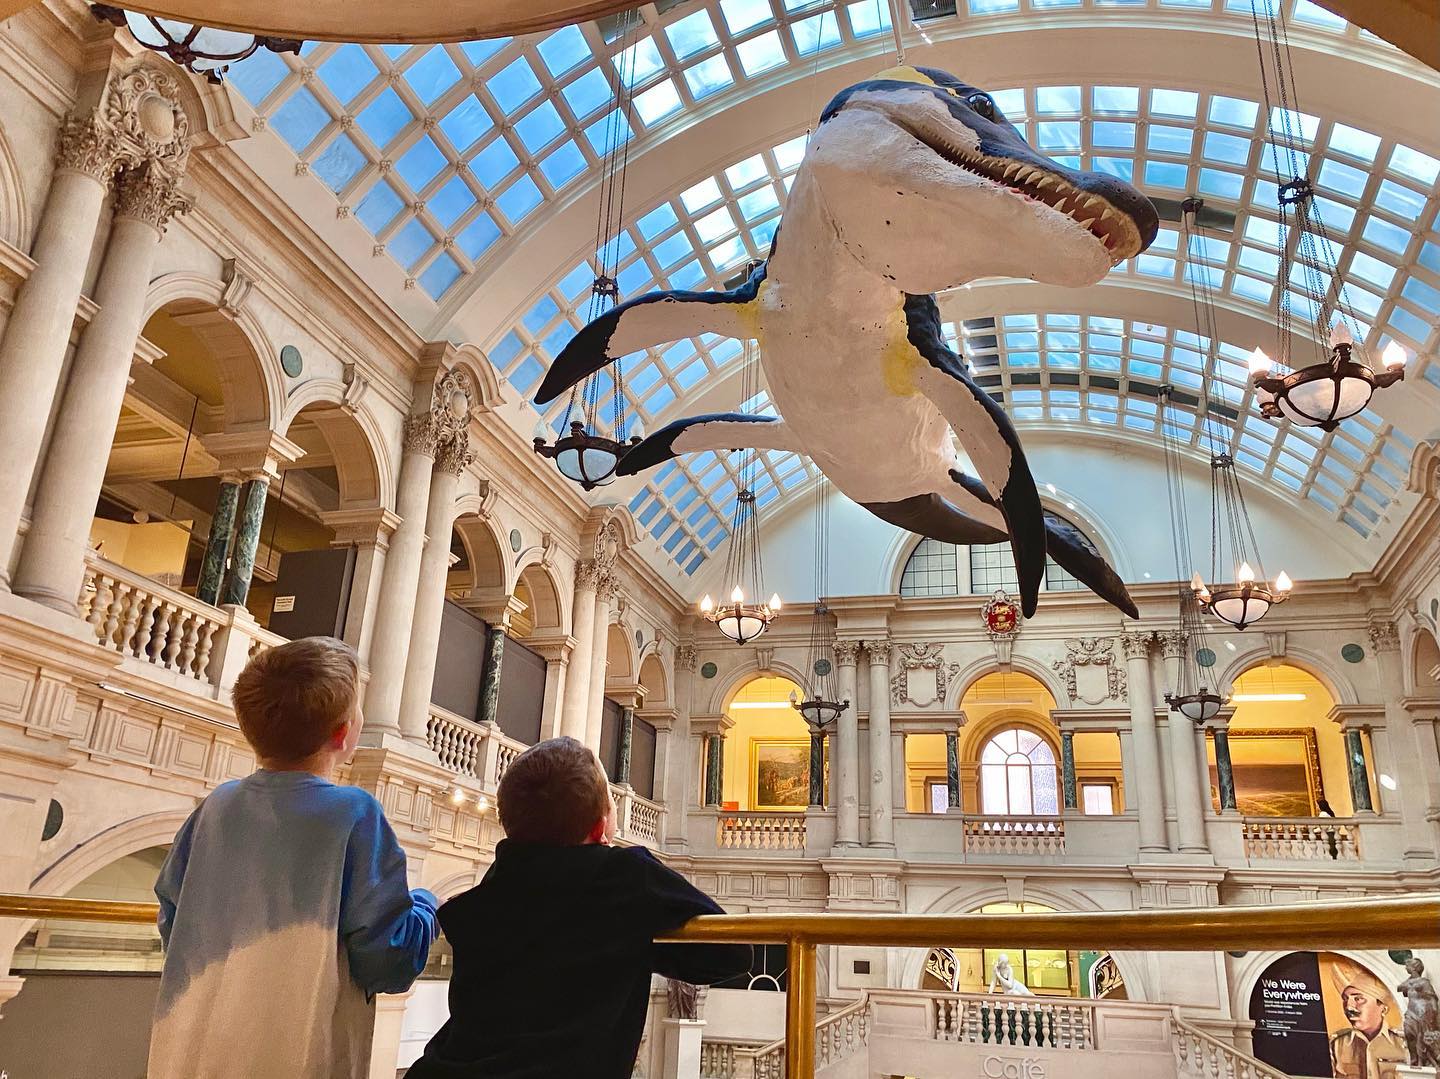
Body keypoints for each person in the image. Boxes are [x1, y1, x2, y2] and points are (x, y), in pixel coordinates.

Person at [147, 637, 439, 1079]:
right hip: (300, 1055)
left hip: (191, 1049)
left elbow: (172, 919)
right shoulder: (355, 814)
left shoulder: (215, 807)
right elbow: (388, 961)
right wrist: (425, 906)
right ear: (344, 733)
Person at [407, 736, 751, 1078]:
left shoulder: (497, 883)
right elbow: (733, 953)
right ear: (601, 827)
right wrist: (636, 941)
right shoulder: (623, 877)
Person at [1328, 959, 1408, 1079]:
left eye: (1358, 999)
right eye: (1345, 999)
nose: (1348, 1006)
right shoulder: (1337, 1044)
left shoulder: (1405, 1043)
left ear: (1383, 1008)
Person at [1397, 957, 1440, 1068]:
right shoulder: (1410, 981)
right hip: (1411, 1012)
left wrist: (1433, 1016)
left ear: (1415, 968)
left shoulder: (1424, 982)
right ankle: (1414, 1058)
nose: (1406, 968)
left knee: (1423, 1037)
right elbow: (1399, 988)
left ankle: (1424, 1061)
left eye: (1408, 966)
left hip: (1423, 1012)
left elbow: (1432, 999)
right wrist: (1411, 982)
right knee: (1409, 1033)